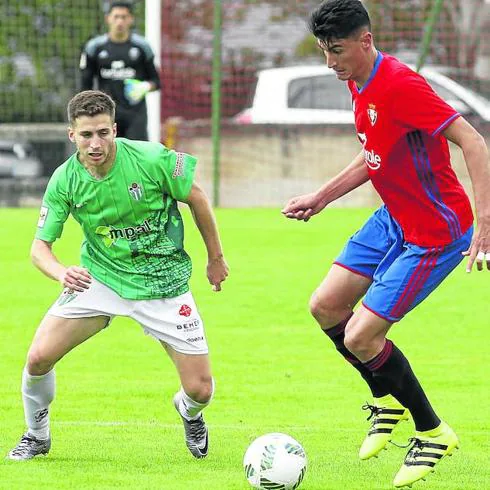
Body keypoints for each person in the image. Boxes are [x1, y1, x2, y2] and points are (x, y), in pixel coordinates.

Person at [282, 0, 490, 487]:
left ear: (365, 41)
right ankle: (384, 400)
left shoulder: (400, 84)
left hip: (435, 232)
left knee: (360, 337)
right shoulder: (359, 79)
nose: (329, 63)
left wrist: (486, 222)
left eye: (336, 52)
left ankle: (432, 431)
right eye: (323, 52)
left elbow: (475, 141)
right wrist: (322, 197)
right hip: (394, 217)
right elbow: (374, 154)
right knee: (326, 307)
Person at [7, 90, 229, 462]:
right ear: (71, 135)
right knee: (38, 358)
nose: (96, 144)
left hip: (164, 282)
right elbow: (38, 249)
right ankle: (37, 435)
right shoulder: (65, 180)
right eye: (86, 135)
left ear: (114, 129)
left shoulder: (150, 158)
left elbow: (198, 198)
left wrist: (215, 258)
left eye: (103, 133)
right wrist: (63, 272)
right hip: (101, 279)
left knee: (200, 390)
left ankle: (188, 413)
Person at [79, 0, 161, 140]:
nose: (120, 21)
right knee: (109, 157)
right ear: (108, 19)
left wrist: (145, 86)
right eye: (116, 17)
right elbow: (85, 86)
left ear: (131, 19)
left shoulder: (142, 47)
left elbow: (156, 82)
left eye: (124, 17)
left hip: (135, 115)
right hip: (106, 114)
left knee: (136, 156)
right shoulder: (94, 48)